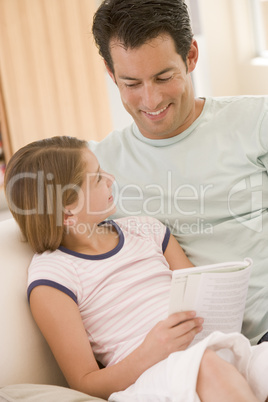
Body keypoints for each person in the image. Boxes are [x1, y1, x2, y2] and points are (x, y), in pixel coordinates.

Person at [4, 136, 268, 402]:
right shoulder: (53, 276)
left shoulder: (146, 230)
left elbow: (199, 293)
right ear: (67, 212)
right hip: (151, 375)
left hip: (216, 348)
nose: (110, 179)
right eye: (97, 178)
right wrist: (151, 351)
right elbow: (85, 384)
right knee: (207, 366)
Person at [90, 0, 268, 346]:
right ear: (111, 75)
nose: (151, 99)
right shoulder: (97, 168)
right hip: (192, 352)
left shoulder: (256, 121)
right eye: (131, 83)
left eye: (163, 77)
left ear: (191, 57)